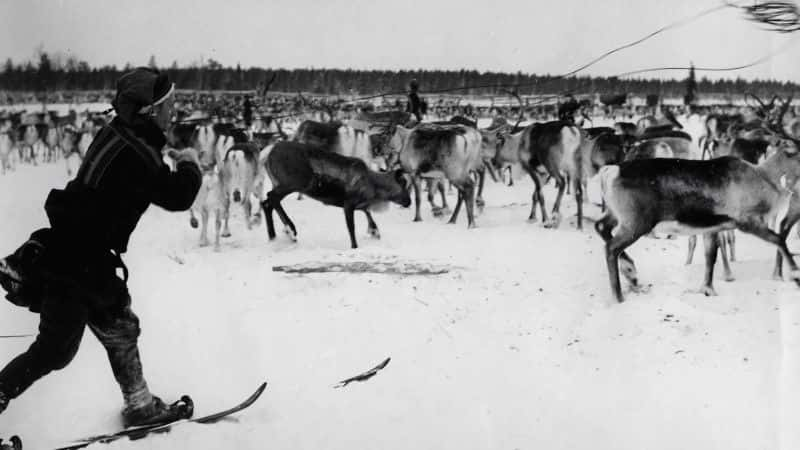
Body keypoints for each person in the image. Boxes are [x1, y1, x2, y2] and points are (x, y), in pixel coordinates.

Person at [0, 67, 202, 427]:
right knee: (54, 351)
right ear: (150, 111)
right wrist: (190, 164)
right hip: (77, 264)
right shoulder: (140, 155)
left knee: (119, 328)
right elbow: (179, 196)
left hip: (79, 255)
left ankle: (140, 405)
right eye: (169, 104)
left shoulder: (117, 133)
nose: (174, 110)